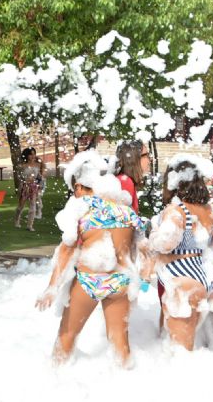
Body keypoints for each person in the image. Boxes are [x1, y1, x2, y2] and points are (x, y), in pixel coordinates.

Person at [35, 150, 147, 367]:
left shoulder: (81, 211)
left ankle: (54, 379)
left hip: (89, 280)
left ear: (79, 187)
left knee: (67, 335)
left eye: (75, 189)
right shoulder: (126, 211)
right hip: (121, 281)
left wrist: (52, 288)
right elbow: (141, 247)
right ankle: (127, 383)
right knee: (119, 342)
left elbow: (66, 251)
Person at [142, 156, 213, 351]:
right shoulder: (210, 210)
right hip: (206, 276)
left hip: (183, 279)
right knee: (190, 335)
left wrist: (151, 233)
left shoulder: (177, 210)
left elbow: (165, 243)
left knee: (180, 349)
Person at [115, 140, 150, 213]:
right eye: (146, 155)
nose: (150, 159)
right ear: (134, 158)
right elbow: (123, 220)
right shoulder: (125, 181)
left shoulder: (124, 180)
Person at [14, 147, 42, 231]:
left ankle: (30, 225)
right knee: (21, 205)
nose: (33, 156)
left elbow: (39, 176)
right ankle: (16, 220)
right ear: (26, 155)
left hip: (34, 187)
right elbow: (19, 177)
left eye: (34, 154)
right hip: (24, 186)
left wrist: (39, 183)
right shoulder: (22, 166)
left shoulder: (38, 165)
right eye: (30, 154)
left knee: (33, 205)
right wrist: (24, 181)